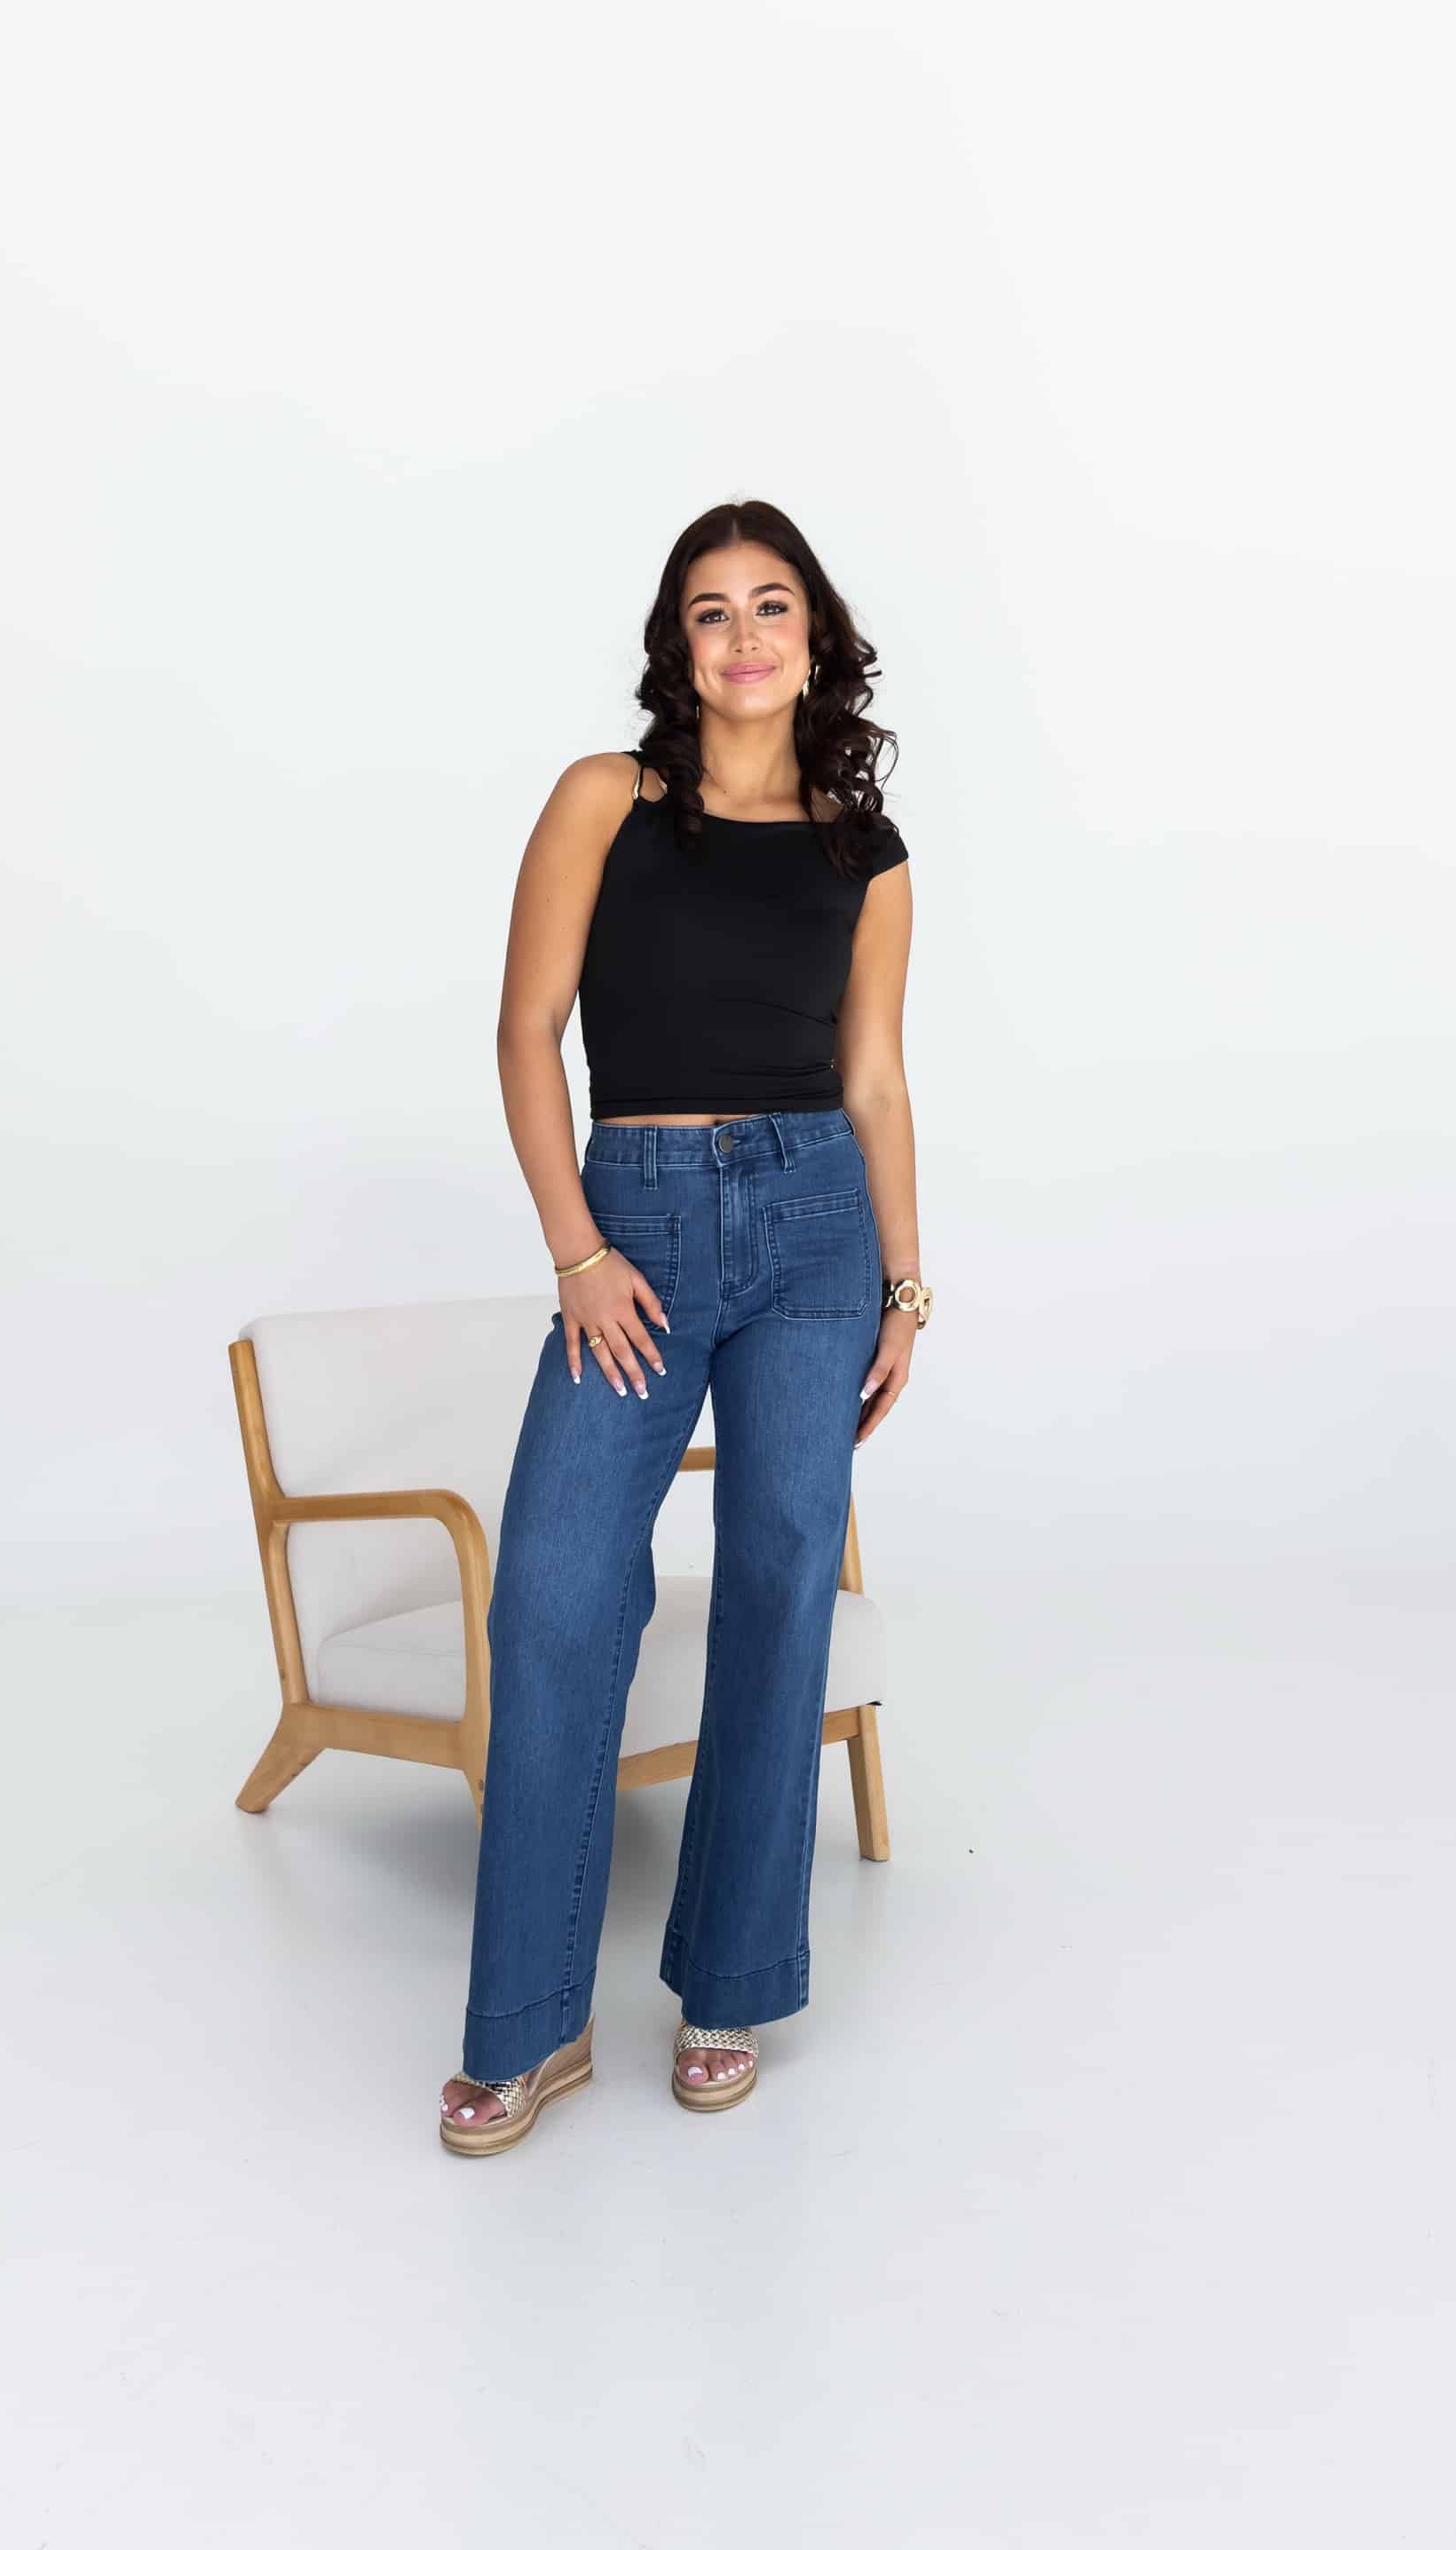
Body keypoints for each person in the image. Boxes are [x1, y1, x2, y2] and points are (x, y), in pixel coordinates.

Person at [439, 498, 931, 2155]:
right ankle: (530, 2025)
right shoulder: (607, 798)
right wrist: (577, 1252)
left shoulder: (866, 850)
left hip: (816, 1233)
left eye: (771, 605)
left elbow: (875, 1079)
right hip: (634, 1224)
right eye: (712, 611)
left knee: (784, 1581)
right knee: (558, 1587)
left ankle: (728, 1984)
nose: (744, 636)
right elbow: (526, 1032)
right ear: (680, 644)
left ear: (815, 635)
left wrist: (905, 1285)